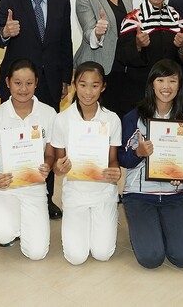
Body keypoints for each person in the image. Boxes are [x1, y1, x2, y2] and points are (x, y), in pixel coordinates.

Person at [0, 0, 73, 219]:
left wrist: (64, 79)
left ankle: (45, 196)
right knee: (12, 140)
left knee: (45, 143)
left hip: (48, 84)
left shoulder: (62, 1)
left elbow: (65, 43)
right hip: (18, 84)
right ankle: (10, 189)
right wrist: (4, 32)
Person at [118, 59, 183, 269]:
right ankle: (150, 228)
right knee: (151, 258)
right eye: (160, 80)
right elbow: (122, 159)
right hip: (139, 196)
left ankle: (162, 226)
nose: (166, 86)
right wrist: (138, 153)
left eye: (172, 81)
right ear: (151, 83)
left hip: (174, 196)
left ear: (179, 85)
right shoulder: (133, 118)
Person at [0, 58, 56, 260]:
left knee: (37, 253)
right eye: (17, 83)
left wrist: (47, 165)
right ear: (7, 83)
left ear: (36, 83)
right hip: (3, 186)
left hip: (34, 187)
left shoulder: (49, 114)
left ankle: (26, 223)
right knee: (4, 233)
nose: (23, 89)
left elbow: (50, 154)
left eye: (29, 83)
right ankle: (11, 224)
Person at [50, 61, 122, 265]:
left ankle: (104, 218)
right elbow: (57, 164)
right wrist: (59, 167)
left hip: (103, 192)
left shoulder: (112, 119)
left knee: (102, 253)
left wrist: (115, 171)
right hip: (76, 192)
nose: (88, 92)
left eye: (94, 85)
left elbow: (113, 159)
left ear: (103, 87)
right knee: (75, 257)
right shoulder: (62, 120)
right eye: (83, 85)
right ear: (74, 84)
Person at [115, 0, 183, 114]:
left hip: (170, 96)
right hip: (139, 95)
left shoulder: (176, 17)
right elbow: (122, 57)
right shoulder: (133, 18)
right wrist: (137, 45)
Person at [73, 0, 133, 115]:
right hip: (98, 68)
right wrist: (97, 32)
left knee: (118, 118)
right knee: (95, 119)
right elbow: (87, 31)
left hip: (124, 67)